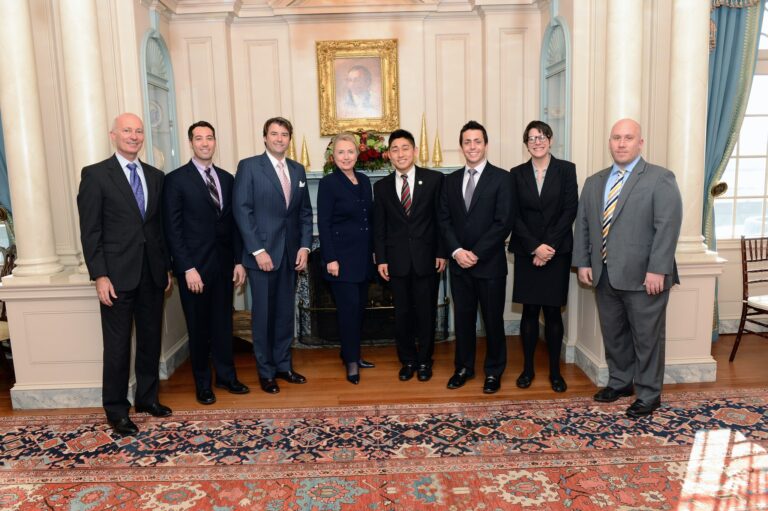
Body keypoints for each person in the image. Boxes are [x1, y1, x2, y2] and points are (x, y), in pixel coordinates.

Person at [572, 118, 682, 418]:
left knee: (647, 338)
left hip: (646, 277)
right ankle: (621, 383)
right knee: (614, 334)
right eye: (616, 138)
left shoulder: (660, 178)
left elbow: (667, 227)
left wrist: (658, 269)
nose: (621, 143)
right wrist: (583, 261)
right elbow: (582, 224)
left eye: (628, 138)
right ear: (609, 143)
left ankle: (648, 394)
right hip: (604, 274)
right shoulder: (595, 182)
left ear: (640, 143)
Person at [77, 112, 173, 436]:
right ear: (113, 135)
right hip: (116, 277)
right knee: (117, 347)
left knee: (149, 341)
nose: (134, 136)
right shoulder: (95, 175)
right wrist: (99, 275)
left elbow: (158, 228)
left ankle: (147, 399)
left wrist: (166, 267)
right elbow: (91, 231)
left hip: (152, 274)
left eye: (139, 131)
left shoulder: (155, 175)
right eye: (127, 130)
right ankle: (117, 410)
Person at [163, 121, 250, 405]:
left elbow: (234, 224)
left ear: (215, 142)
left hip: (225, 267)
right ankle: (203, 384)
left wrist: (238, 261)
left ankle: (227, 377)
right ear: (191, 143)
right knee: (199, 330)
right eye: (198, 138)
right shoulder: (176, 180)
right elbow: (173, 229)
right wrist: (186, 268)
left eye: (209, 138)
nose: (204, 143)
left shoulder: (227, 178)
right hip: (195, 271)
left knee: (224, 325)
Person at [233, 117, 313, 394]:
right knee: (264, 316)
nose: (279, 138)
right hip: (262, 257)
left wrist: (304, 247)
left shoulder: (298, 169)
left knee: (284, 315)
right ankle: (265, 372)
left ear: (290, 138)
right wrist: (257, 251)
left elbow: (304, 213)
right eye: (274, 134)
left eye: (284, 134)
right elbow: (242, 211)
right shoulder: (249, 167)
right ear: (265, 137)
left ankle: (283, 365)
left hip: (291, 255)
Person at [439, 120, 513, 394]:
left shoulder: (503, 179)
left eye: (477, 141)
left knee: (493, 321)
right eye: (467, 142)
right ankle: (464, 367)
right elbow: (444, 220)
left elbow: (503, 222)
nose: (472, 146)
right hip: (459, 266)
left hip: (490, 264)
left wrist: (477, 253)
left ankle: (493, 371)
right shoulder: (450, 181)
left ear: (485, 145)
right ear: (461, 147)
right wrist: (457, 252)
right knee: (464, 321)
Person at [508, 121, 578, 393]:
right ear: (526, 143)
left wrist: (547, 246)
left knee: (553, 314)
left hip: (556, 252)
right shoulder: (516, 174)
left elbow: (570, 209)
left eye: (541, 137)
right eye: (531, 138)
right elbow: (513, 214)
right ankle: (527, 369)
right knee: (529, 312)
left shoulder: (566, 170)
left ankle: (555, 372)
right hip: (527, 252)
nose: (536, 142)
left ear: (550, 139)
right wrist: (534, 247)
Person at [373, 129, 447, 382]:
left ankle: (425, 361)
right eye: (395, 149)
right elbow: (379, 227)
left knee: (426, 314)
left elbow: (441, 220)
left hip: (428, 259)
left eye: (405, 148)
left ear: (414, 151)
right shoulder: (381, 187)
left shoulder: (435, 179)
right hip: (396, 262)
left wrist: (441, 252)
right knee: (402, 315)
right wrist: (381, 258)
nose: (400, 153)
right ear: (388, 155)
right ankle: (407, 361)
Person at [317, 132, 376, 384]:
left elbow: (369, 220)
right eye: (340, 152)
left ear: (357, 153)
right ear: (333, 156)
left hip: (363, 258)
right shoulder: (328, 183)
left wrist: (375, 251)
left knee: (359, 310)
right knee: (348, 312)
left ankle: (352, 353)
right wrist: (330, 257)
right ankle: (351, 362)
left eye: (350, 151)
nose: (346, 156)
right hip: (341, 260)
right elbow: (324, 223)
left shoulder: (363, 180)